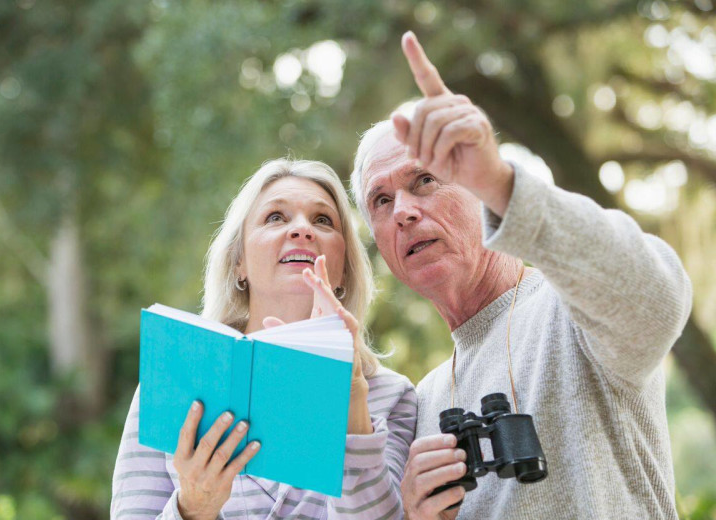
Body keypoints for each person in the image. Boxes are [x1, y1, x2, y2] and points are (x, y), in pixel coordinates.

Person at [349, 32, 692, 519]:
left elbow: (657, 299)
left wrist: (502, 185)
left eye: (424, 179)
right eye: (381, 201)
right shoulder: (422, 402)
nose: (403, 211)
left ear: (475, 187)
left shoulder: (571, 308)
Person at [111, 159, 416, 519]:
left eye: (323, 220)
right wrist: (192, 508)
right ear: (239, 262)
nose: (302, 229)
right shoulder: (169, 386)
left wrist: (349, 400)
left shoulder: (390, 398)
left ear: (345, 270)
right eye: (275, 217)